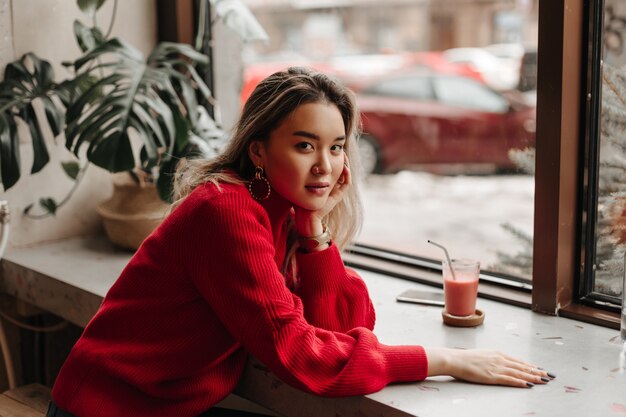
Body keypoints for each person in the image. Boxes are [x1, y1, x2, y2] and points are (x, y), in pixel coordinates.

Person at [49, 67, 554, 417]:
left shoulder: (283, 210)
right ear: (259, 152)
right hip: (105, 409)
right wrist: (445, 360)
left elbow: (344, 326)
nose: (326, 166)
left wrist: (315, 233)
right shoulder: (225, 209)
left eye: (336, 147)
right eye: (304, 145)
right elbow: (298, 352)